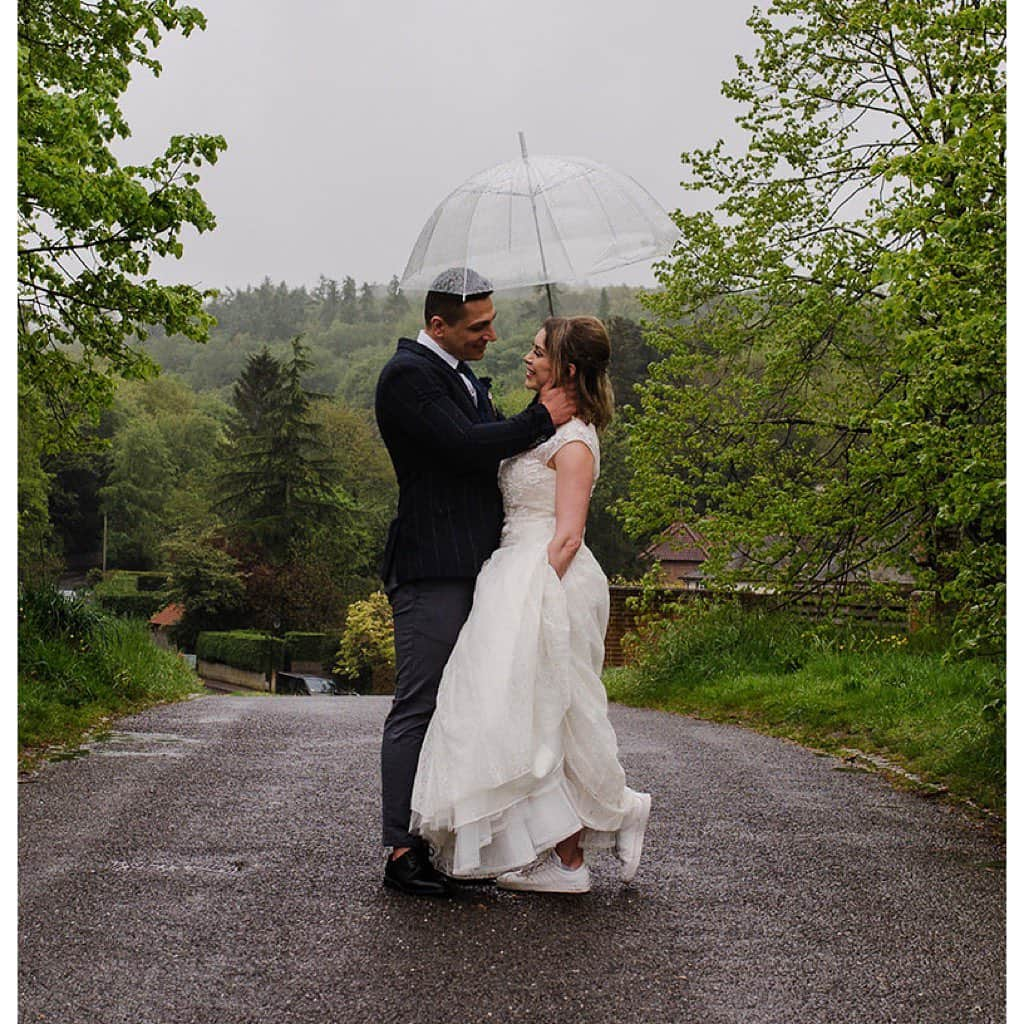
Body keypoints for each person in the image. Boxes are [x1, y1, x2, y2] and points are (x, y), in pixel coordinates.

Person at [409, 315, 652, 894]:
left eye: (539, 352)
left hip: (548, 582)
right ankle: (566, 850)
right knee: (514, 714)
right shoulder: (539, 428)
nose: (526, 357)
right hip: (511, 573)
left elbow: (568, 535)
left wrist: (533, 600)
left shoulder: (574, 442)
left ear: (565, 368)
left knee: (552, 716)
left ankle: (579, 850)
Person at [374, 267, 577, 898]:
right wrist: (542, 417)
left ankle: (449, 844)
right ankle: (402, 849)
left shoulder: (460, 375)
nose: (492, 335)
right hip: (434, 566)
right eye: (479, 326)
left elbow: (489, 447)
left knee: (467, 710)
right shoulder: (408, 376)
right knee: (421, 703)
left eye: (492, 321)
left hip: (480, 567)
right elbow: (465, 445)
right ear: (439, 325)